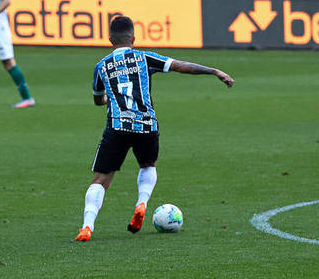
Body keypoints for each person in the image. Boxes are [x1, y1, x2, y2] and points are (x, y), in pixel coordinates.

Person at [74, 16, 234, 242]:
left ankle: (87, 227)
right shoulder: (144, 57)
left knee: (100, 180)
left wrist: (113, 99)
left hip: (117, 126)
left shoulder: (101, 67)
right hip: (147, 125)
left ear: (110, 39)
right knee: (148, 165)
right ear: (134, 38)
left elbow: (98, 100)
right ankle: (142, 202)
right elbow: (180, 66)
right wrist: (214, 71)